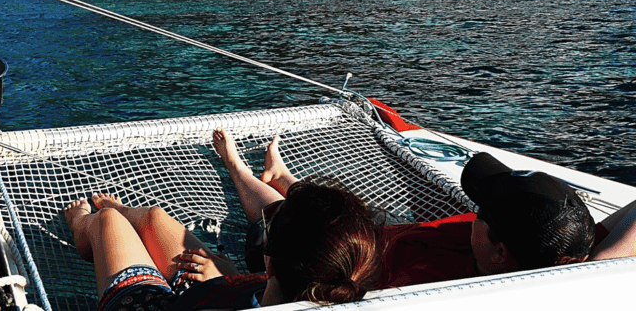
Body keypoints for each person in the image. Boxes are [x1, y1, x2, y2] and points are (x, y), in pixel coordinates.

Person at [216, 128, 636, 290]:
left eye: (482, 212)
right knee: (320, 207)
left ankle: (238, 168)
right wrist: (591, 265)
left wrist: (236, 279)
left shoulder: (424, 283)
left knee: (281, 220)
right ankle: (285, 178)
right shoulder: (554, 247)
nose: (474, 212)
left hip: (334, 251)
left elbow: (321, 285)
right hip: (379, 234)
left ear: (501, 251)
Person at [63, 178, 381, 311]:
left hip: (159, 306)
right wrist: (227, 275)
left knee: (107, 221)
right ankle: (122, 220)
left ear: (269, 262)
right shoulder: (326, 288)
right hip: (219, 292)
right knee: (154, 219)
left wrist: (223, 285)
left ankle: (82, 225)